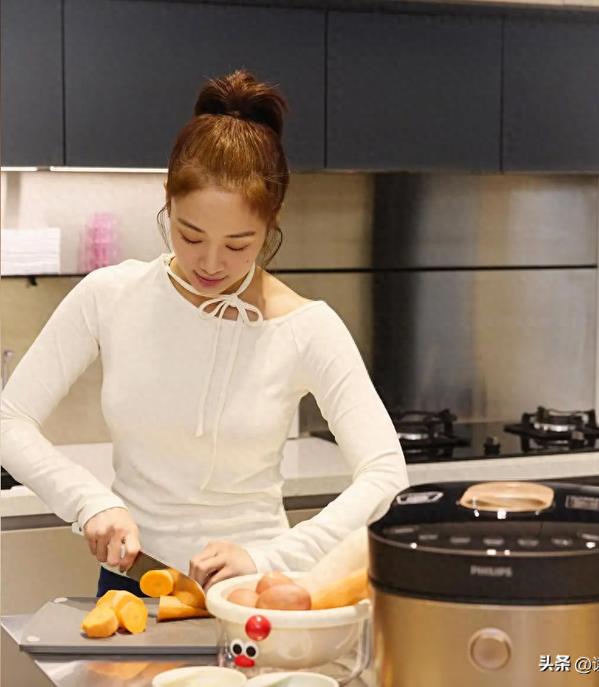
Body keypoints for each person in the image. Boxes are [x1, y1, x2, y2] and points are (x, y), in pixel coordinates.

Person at [0, 69, 409, 597]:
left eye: (239, 244)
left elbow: (386, 475)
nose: (211, 263)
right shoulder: (110, 295)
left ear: (271, 222)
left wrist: (269, 557)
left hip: (255, 590)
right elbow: (9, 420)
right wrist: (89, 502)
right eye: (190, 235)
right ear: (167, 200)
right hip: (133, 582)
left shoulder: (307, 327)